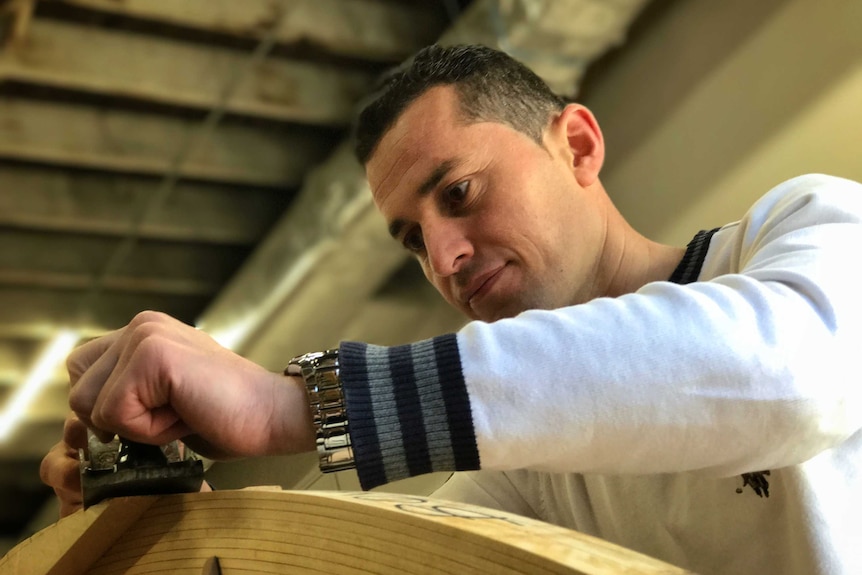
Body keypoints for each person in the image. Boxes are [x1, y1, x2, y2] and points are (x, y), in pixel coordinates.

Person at [41, 44, 862, 575]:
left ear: (576, 144)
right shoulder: (527, 469)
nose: (444, 258)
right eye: (411, 240)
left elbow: (794, 374)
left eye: (459, 193)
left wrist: (301, 403)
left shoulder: (806, 229)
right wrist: (179, 533)